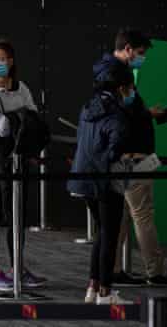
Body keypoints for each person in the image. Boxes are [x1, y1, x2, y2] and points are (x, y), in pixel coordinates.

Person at [94, 29, 167, 287]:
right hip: (134, 155)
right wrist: (148, 115)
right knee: (142, 213)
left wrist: (146, 113)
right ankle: (155, 271)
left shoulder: (104, 71)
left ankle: (111, 267)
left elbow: (126, 111)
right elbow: (126, 115)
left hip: (119, 155)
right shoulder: (119, 74)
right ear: (128, 49)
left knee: (120, 215)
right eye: (140, 53)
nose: (141, 59)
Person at [0, 40, 46, 290]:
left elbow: (35, 116)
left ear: (11, 61)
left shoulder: (21, 87)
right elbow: (0, 125)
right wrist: (21, 118)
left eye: (1, 59)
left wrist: (17, 119)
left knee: (17, 212)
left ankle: (18, 267)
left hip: (19, 153)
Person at [68, 64, 136, 305]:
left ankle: (93, 287)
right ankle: (105, 292)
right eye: (130, 88)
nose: (131, 93)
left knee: (102, 232)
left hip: (83, 178)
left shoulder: (89, 107)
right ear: (121, 88)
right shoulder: (117, 113)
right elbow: (115, 147)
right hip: (106, 179)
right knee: (109, 234)